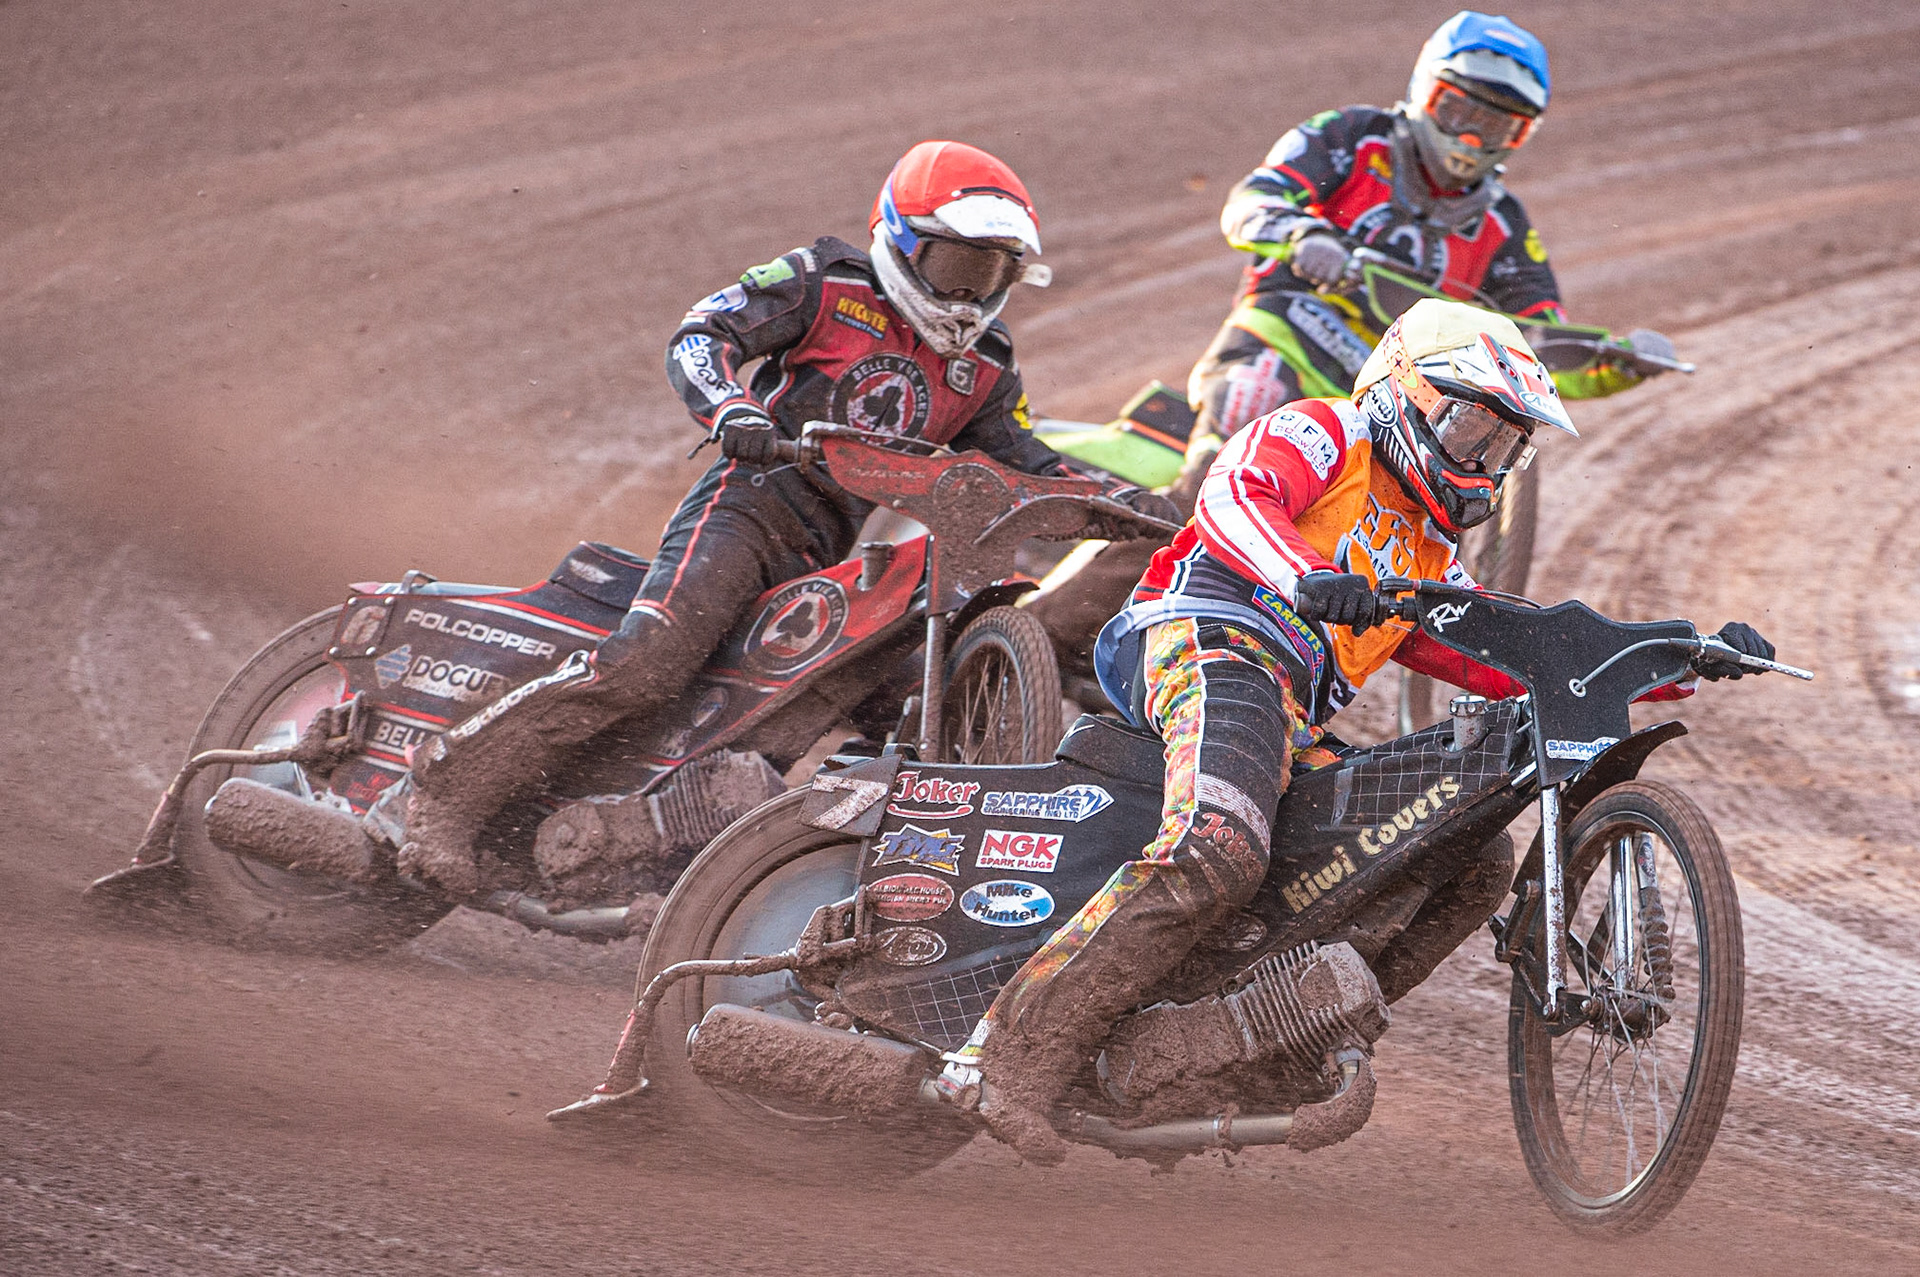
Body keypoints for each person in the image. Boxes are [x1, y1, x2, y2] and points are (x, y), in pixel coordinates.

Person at [950, 300, 1774, 1164]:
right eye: (1468, 428)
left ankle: (1254, 1047)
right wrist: (1309, 575)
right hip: (1208, 637)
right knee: (1221, 842)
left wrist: (1678, 660)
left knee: (1468, 848)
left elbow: (1507, 657)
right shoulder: (1323, 433)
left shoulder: (1425, 552)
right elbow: (1232, 496)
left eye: (1500, 446)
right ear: (1405, 393)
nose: (1480, 459)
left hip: (1284, 712)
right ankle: (1003, 1053)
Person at [393, 140, 1074, 894]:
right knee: (648, 662)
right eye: (956, 266)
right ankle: (448, 788)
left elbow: (1024, 454)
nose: (967, 295)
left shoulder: (986, 363)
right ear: (903, 240)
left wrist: (1119, 501)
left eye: (990, 274)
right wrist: (732, 407)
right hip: (746, 508)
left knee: (854, 705)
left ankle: (709, 867)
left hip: (837, 556)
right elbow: (701, 335)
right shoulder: (823, 282)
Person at [1026, 11, 1673, 675]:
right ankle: (1052, 635)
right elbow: (1250, 201)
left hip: (1386, 409)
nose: (1473, 137)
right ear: (1426, 91)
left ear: (1522, 136)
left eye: (1501, 125)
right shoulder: (1352, 138)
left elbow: (1528, 349)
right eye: (1459, 110)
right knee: (1210, 491)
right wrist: (1302, 237)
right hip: (1281, 344)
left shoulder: (1503, 224)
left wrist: (1616, 362)